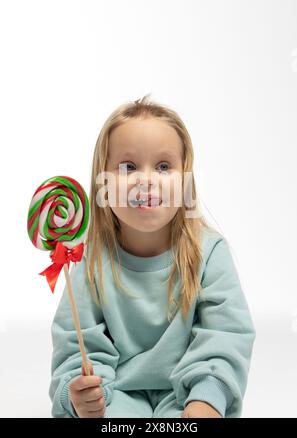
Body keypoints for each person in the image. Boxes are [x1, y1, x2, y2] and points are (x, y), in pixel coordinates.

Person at [49, 95, 256, 418]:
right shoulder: (90, 262)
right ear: (102, 184)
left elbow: (225, 335)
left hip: (188, 394)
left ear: (186, 181)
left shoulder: (209, 254)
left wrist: (208, 395)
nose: (146, 179)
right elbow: (78, 345)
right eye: (128, 166)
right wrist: (82, 396)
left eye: (163, 166)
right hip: (115, 394)